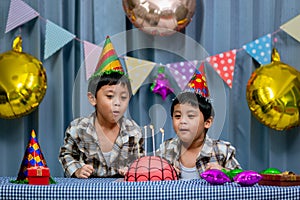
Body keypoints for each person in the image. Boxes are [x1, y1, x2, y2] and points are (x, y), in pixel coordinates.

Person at [58, 36, 143, 178]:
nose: (117, 103)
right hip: (86, 192)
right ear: (92, 98)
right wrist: (77, 170)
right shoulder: (78, 128)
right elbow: (66, 155)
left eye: (123, 97)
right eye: (110, 96)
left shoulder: (133, 130)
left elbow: (140, 161)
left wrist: (132, 171)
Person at [157, 91, 241, 180]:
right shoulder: (165, 150)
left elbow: (243, 179)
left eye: (190, 116)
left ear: (207, 122)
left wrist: (224, 172)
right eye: (178, 116)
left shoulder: (222, 150)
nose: (182, 121)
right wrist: (163, 173)